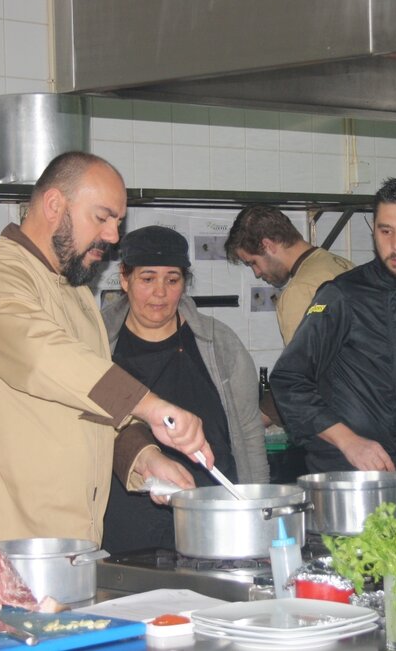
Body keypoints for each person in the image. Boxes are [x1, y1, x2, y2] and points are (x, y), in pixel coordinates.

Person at [0, 152, 211, 568]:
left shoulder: (75, 293)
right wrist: (151, 405)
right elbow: (43, 357)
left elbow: (94, 404)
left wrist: (145, 458)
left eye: (118, 222)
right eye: (101, 218)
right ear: (53, 206)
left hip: (69, 542)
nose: (113, 236)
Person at [270, 178, 396, 473]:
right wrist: (349, 441)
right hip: (344, 466)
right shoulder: (341, 295)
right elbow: (288, 381)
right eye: (385, 231)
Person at [101, 226, 269, 552]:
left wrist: (258, 513)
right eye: (147, 279)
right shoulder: (97, 346)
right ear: (125, 279)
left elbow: (249, 435)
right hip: (124, 538)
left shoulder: (219, 344)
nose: (160, 293)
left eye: (172, 280)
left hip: (214, 530)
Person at [224, 204, 353, 345]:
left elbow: (301, 365)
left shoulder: (299, 291)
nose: (257, 273)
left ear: (268, 245)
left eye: (253, 262)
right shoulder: (343, 265)